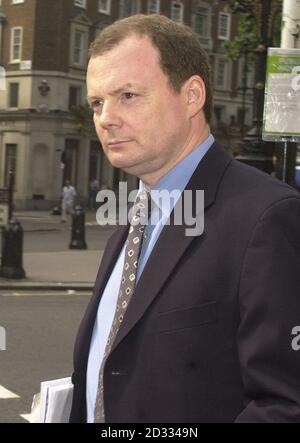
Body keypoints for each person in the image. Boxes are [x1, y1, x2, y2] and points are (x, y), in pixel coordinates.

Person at [70, 15, 300, 423]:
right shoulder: (130, 224)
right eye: (97, 102)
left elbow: (285, 403)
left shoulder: (266, 218)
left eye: (128, 95)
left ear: (192, 95)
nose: (106, 118)